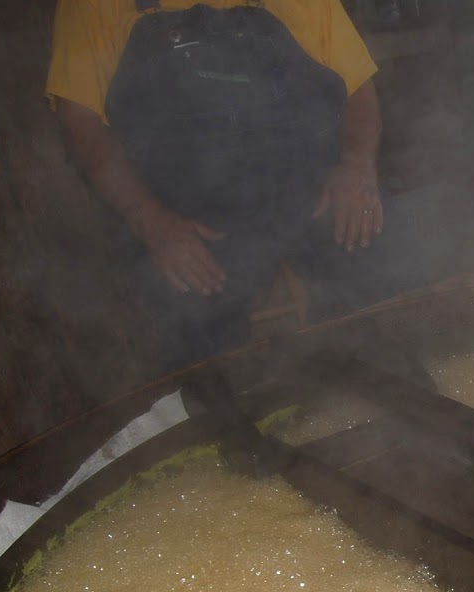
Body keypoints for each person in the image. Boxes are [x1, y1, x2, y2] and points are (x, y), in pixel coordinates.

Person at [48, 0, 388, 366]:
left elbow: (359, 91)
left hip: (310, 194)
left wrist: (356, 166)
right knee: (197, 344)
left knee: (390, 280)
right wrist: (148, 219)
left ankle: (389, 388)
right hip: (186, 222)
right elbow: (80, 123)